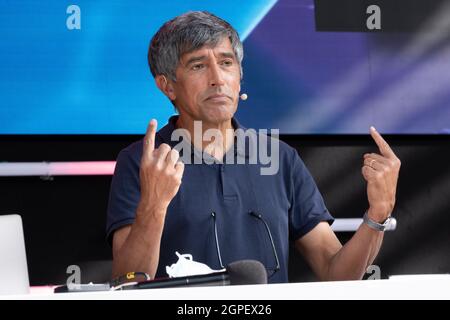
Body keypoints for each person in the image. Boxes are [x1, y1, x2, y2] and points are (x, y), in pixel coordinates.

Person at [106, 11, 401, 283]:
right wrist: (154, 206)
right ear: (167, 86)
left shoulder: (281, 158)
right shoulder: (142, 161)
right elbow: (128, 280)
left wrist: (378, 213)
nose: (217, 79)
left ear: (239, 78)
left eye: (226, 63)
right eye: (198, 65)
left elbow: (337, 275)